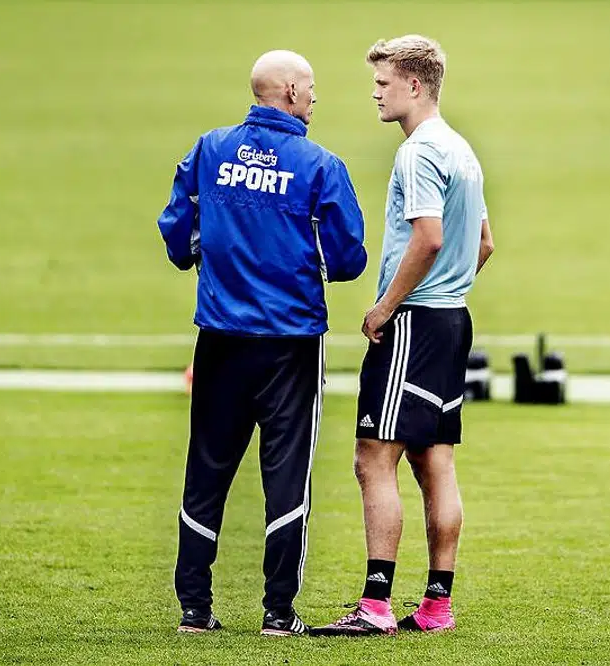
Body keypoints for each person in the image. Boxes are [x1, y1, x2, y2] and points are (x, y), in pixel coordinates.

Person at [158, 49, 368, 637]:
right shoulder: (320, 164)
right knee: (286, 477)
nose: (316, 99)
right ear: (293, 93)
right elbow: (347, 256)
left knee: (205, 472)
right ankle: (278, 613)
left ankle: (194, 610)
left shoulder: (209, 149)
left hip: (220, 338)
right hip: (290, 344)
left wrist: (206, 257)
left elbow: (178, 231)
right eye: (313, 89)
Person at [310, 35, 493, 637]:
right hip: (453, 319)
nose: (375, 92)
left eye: (384, 82)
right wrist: (445, 290)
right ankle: (437, 607)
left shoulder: (418, 153)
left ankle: (376, 605)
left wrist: (386, 308)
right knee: (433, 459)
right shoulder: (462, 150)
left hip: (413, 322)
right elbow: (482, 243)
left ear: (415, 85)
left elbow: (429, 237)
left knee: (373, 458)